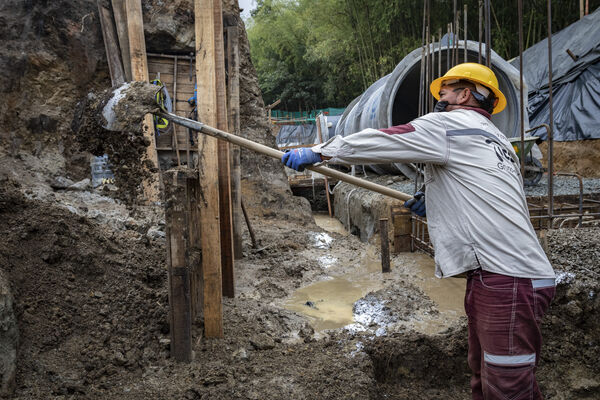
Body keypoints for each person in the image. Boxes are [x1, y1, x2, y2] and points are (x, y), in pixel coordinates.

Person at [282, 63, 556, 400]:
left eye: (443, 91)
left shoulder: (449, 124)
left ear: (465, 93)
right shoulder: (498, 141)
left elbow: (387, 139)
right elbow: (486, 194)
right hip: (512, 276)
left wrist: (323, 151)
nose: (438, 98)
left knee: (508, 389)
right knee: (487, 375)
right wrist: (437, 202)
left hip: (506, 278)